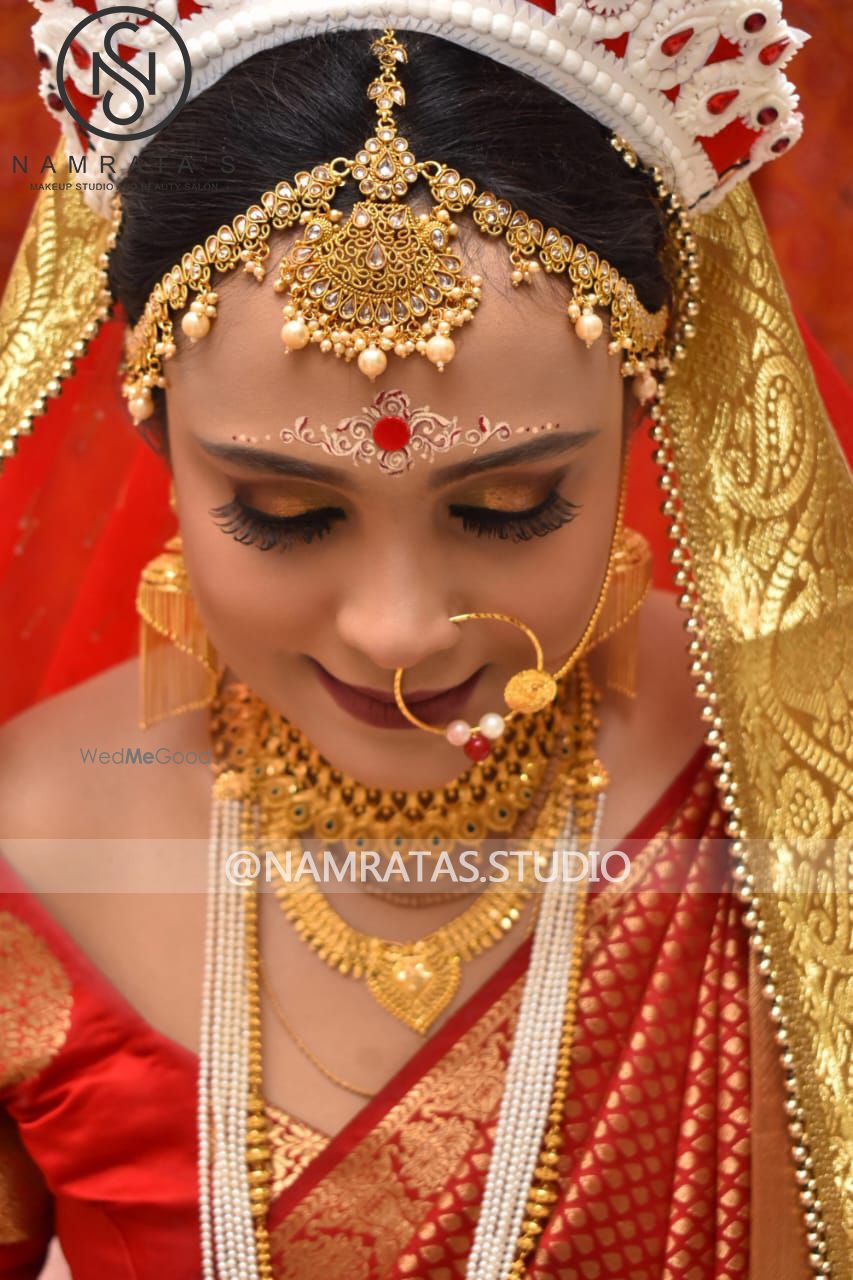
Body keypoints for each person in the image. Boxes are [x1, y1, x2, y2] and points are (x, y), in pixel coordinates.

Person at [0, 6, 849, 1279]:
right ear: (155, 440)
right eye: (283, 513)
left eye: (510, 508)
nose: (400, 628)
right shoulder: (23, 849)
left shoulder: (809, 776)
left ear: (640, 416)